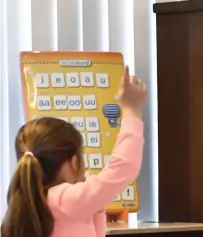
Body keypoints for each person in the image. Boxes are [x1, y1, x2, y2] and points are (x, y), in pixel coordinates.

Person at [0, 66, 147, 237]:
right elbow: (124, 167)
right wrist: (132, 110)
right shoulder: (66, 200)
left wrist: (96, 210)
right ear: (74, 162)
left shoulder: (25, 205)